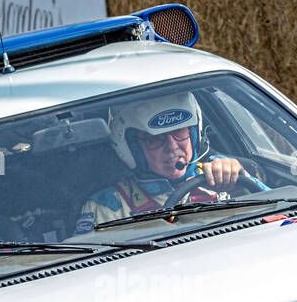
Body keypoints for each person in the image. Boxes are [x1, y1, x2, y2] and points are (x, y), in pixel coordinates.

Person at [75, 91, 247, 234]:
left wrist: (240, 181)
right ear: (132, 148)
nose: (172, 147)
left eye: (179, 132)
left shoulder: (222, 175)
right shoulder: (107, 206)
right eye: (154, 139)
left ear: (195, 133)